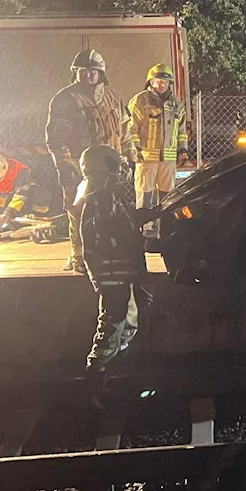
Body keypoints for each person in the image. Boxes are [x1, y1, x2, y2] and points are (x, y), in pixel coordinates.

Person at [45, 49, 133, 273]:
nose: (89, 76)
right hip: (79, 167)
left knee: (112, 210)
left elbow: (125, 130)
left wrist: (130, 156)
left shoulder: (113, 97)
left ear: (101, 73)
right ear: (75, 72)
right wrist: (64, 165)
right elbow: (56, 138)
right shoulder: (65, 99)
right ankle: (80, 258)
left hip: (110, 167)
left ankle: (110, 255)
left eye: (94, 72)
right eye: (83, 71)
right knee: (79, 212)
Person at [77, 144, 150, 377]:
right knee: (114, 317)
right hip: (112, 271)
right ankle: (97, 371)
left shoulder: (101, 194)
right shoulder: (100, 196)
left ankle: (118, 361)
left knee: (129, 315)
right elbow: (116, 230)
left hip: (118, 270)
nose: (118, 170)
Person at [128, 64, 184, 244]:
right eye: (159, 81)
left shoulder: (176, 102)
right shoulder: (140, 101)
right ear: (151, 82)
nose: (162, 85)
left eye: (165, 82)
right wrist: (134, 150)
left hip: (168, 160)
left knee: (167, 199)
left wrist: (182, 150)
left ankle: (166, 233)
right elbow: (131, 128)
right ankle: (144, 237)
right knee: (144, 199)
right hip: (146, 158)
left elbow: (181, 130)